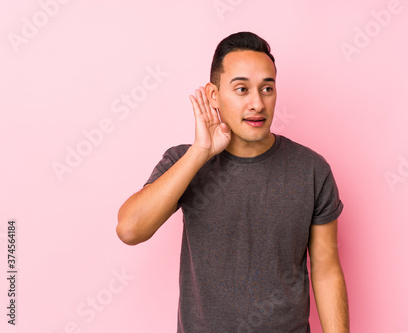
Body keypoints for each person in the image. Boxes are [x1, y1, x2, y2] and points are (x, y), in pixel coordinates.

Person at [116, 31, 349, 332]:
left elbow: (326, 268)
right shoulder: (184, 162)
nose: (257, 103)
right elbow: (130, 229)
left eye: (267, 88)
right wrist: (200, 152)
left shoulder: (311, 169)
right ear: (214, 95)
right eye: (241, 89)